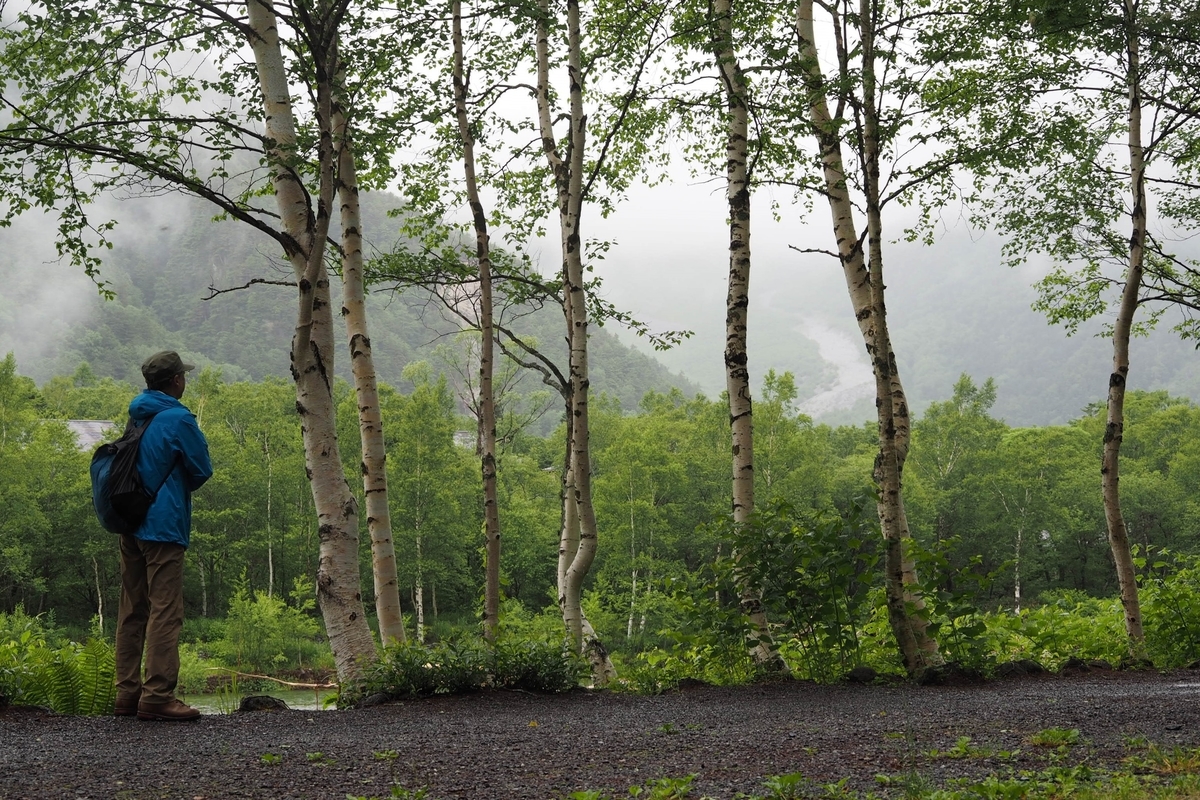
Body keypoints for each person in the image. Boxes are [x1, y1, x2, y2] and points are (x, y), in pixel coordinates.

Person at [114, 351, 213, 721]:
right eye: (182, 377)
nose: (184, 382)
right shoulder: (178, 418)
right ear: (175, 381)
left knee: (132, 610)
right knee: (165, 611)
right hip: (163, 526)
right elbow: (202, 469)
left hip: (130, 521)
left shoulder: (136, 414)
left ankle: (126, 694)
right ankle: (157, 697)